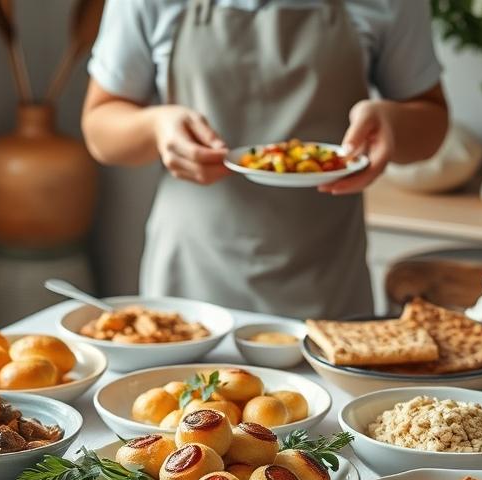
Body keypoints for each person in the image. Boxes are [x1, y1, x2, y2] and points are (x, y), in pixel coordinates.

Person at [82, 0, 449, 318]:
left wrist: (392, 124)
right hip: (193, 273)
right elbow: (100, 127)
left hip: (328, 278)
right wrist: (156, 127)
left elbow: (432, 121)